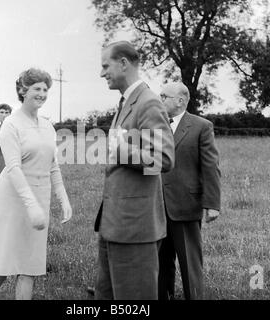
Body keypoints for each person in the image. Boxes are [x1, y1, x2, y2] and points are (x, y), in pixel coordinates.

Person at [94, 41, 175, 300]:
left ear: (124, 63)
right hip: (115, 225)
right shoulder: (125, 102)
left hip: (135, 230)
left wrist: (121, 152)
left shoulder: (148, 102)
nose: (102, 72)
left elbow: (163, 160)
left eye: (106, 66)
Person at [0, 68, 72, 300]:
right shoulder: (11, 125)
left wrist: (62, 197)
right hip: (13, 195)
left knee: (30, 263)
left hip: (40, 194)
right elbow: (13, 167)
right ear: (23, 90)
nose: (42, 93)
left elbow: (53, 165)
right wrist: (31, 205)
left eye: (45, 89)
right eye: (37, 89)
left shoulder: (48, 126)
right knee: (5, 255)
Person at [158, 82, 221, 300]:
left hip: (186, 205)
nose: (160, 99)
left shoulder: (201, 126)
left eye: (164, 96)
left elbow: (210, 167)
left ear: (181, 101)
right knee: (160, 263)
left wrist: (212, 204)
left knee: (190, 265)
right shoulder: (155, 125)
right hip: (156, 207)